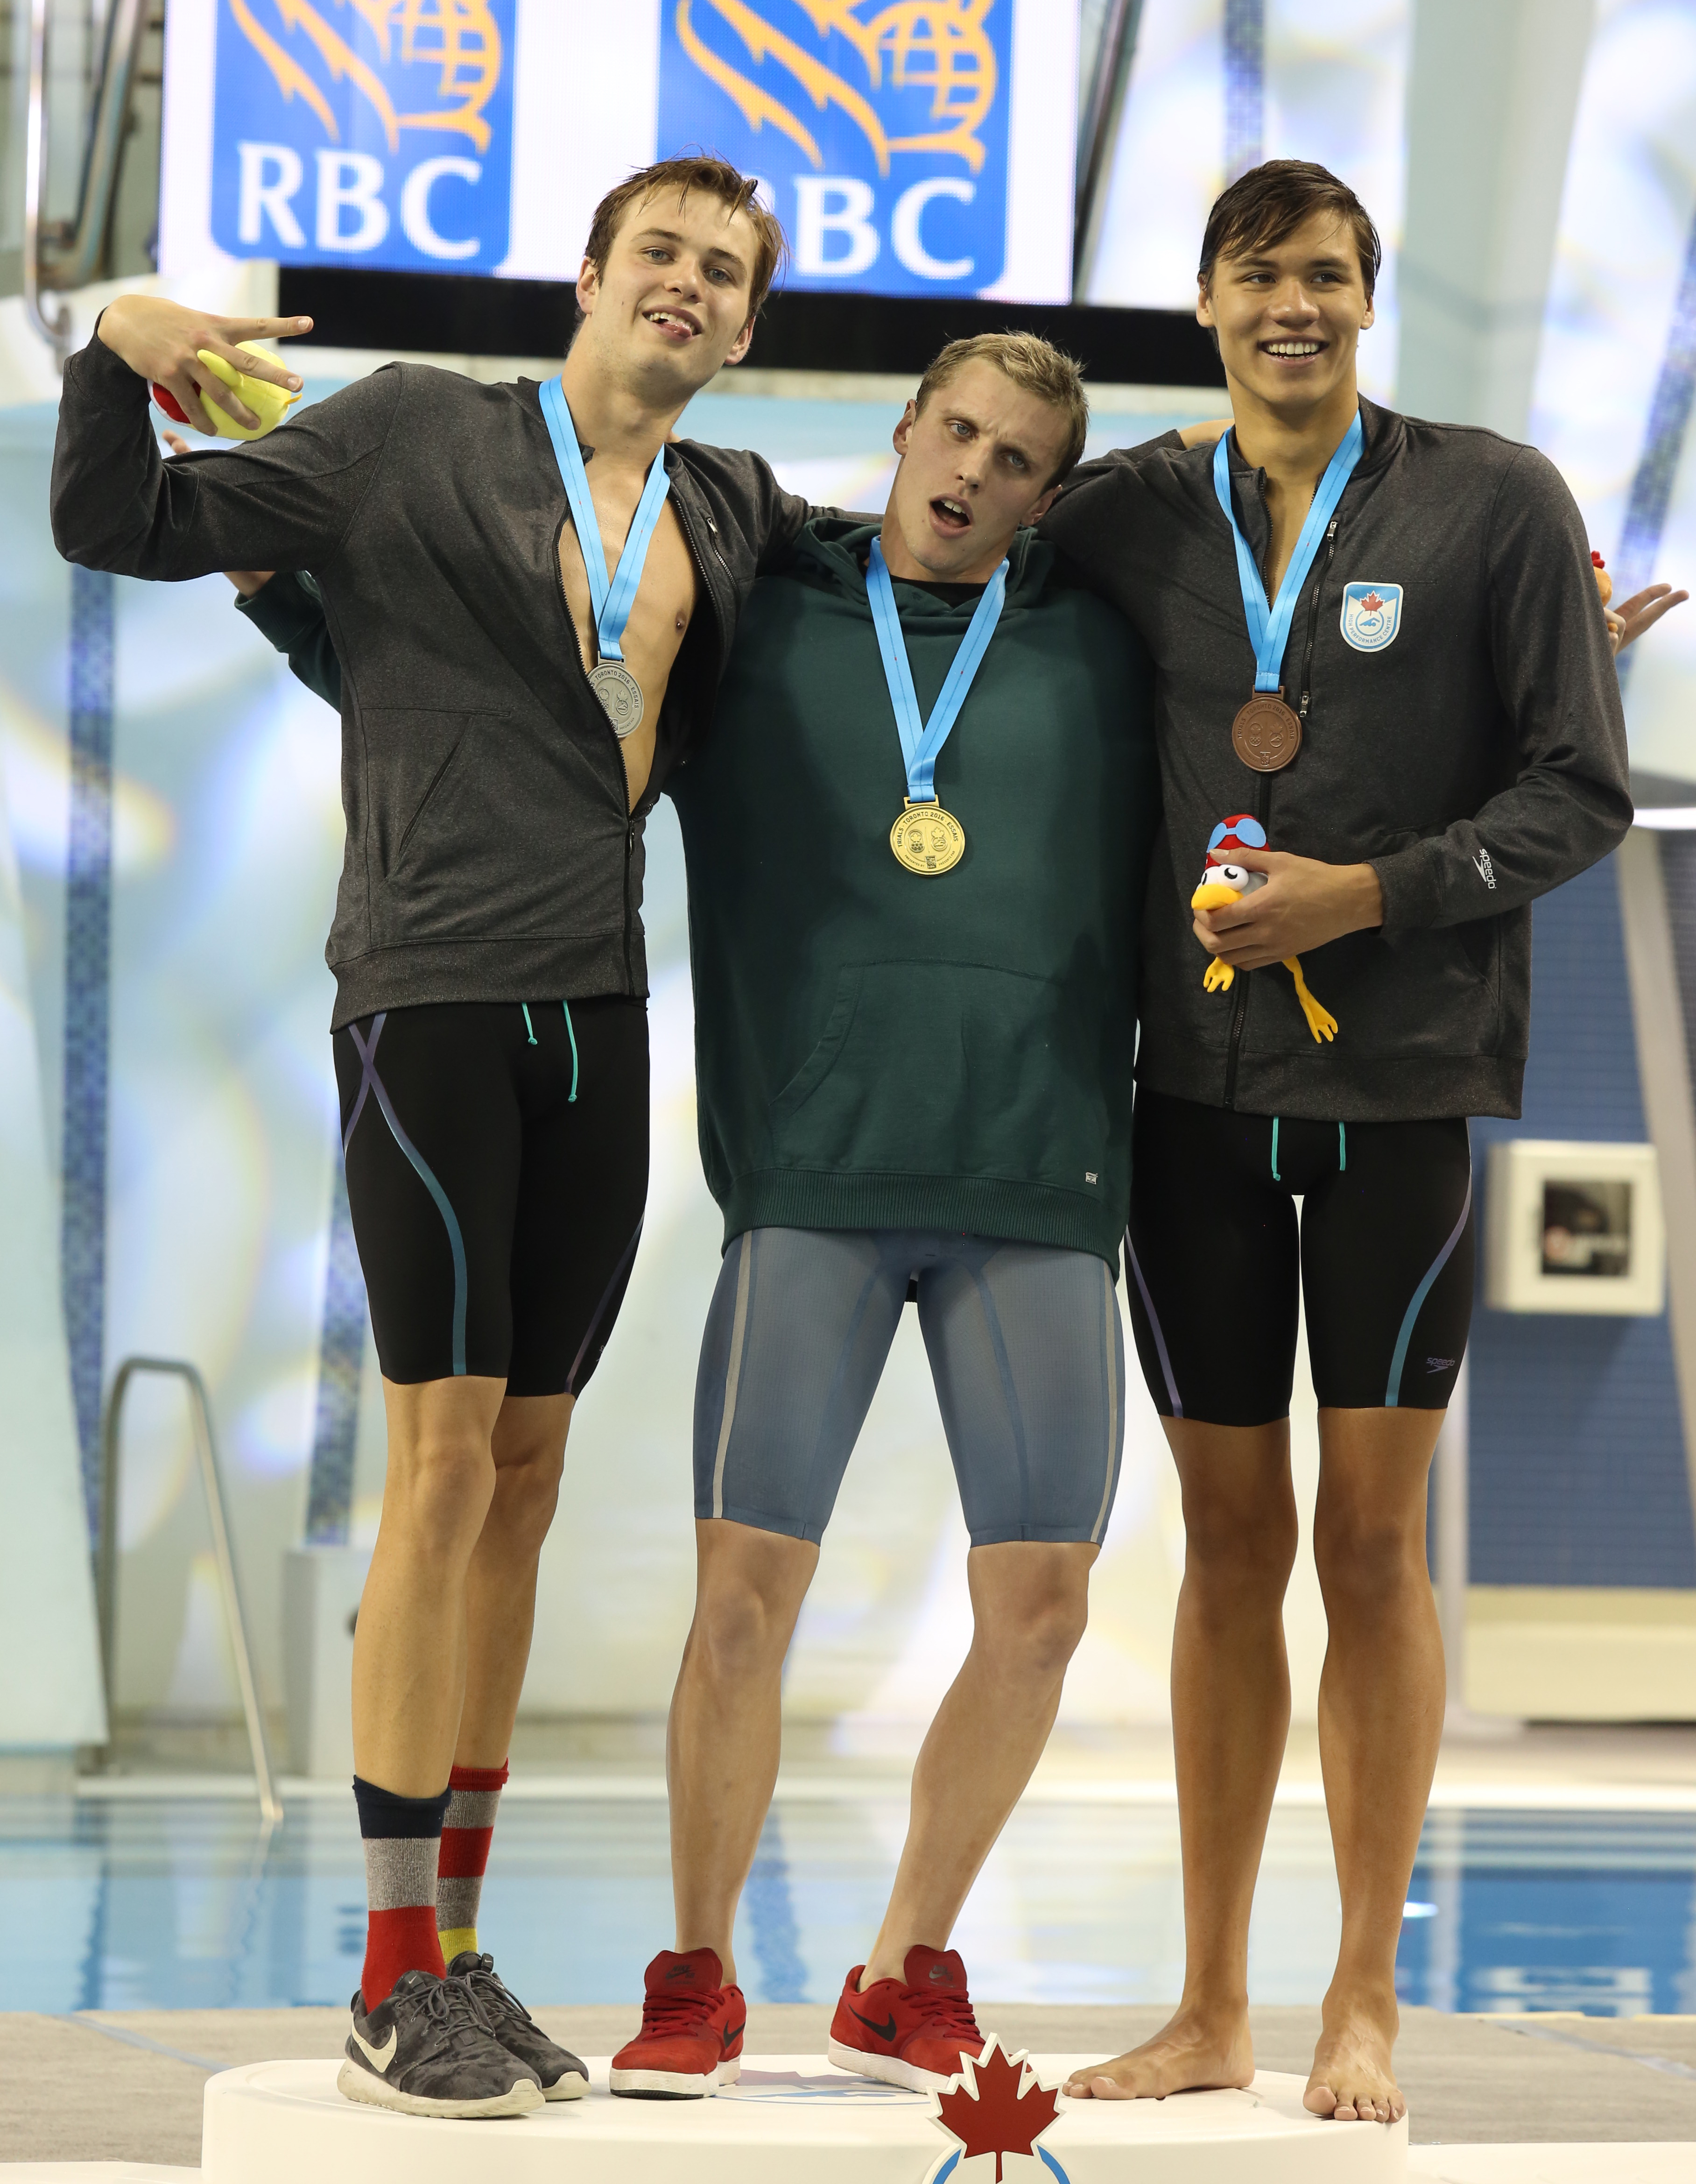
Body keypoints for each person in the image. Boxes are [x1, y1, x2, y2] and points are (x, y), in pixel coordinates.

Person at [237, 330, 1155, 2099]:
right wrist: (295, 588)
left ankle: (906, 1968)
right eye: (953, 430)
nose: (974, 470)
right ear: (900, 432)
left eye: (1019, 458)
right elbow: (523, 672)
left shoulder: (1113, 639)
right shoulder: (758, 597)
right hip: (805, 1177)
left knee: (1042, 1609)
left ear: (1055, 495)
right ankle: (700, 1973)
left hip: (1041, 1184)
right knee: (742, 1597)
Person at [51, 153, 812, 2120]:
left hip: (602, 1018)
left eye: (723, 273)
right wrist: (109, 334)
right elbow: (113, 512)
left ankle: (464, 1953)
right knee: (444, 1464)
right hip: (433, 1001)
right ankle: (390, 1976)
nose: (688, 286)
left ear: (745, 326)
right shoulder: (406, 437)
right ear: (592, 271)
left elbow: (938, 563)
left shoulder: (729, 510)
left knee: (535, 1477)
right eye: (662, 250)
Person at [1036, 158, 1643, 2126]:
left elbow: (1578, 795)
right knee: (1227, 1549)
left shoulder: (1492, 501)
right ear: (1203, 304)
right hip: (1193, 1104)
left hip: (1400, 1099)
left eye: (1324, 275)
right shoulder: (1128, 509)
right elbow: (932, 576)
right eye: (1256, 275)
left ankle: (1357, 1997)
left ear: (1366, 302)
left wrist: (1358, 899)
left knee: (1371, 1547)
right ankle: (1207, 2001)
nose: (1291, 304)